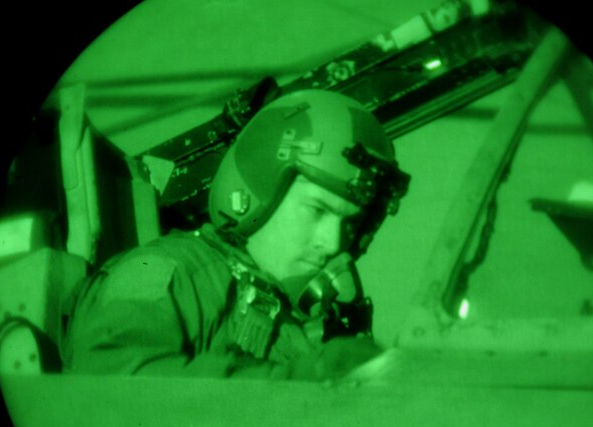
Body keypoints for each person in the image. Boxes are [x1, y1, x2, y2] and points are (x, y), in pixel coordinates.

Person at [61, 89, 410, 380]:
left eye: (350, 223)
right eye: (317, 210)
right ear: (259, 189)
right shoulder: (169, 272)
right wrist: (301, 379)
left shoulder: (308, 324)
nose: (333, 242)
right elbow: (110, 383)